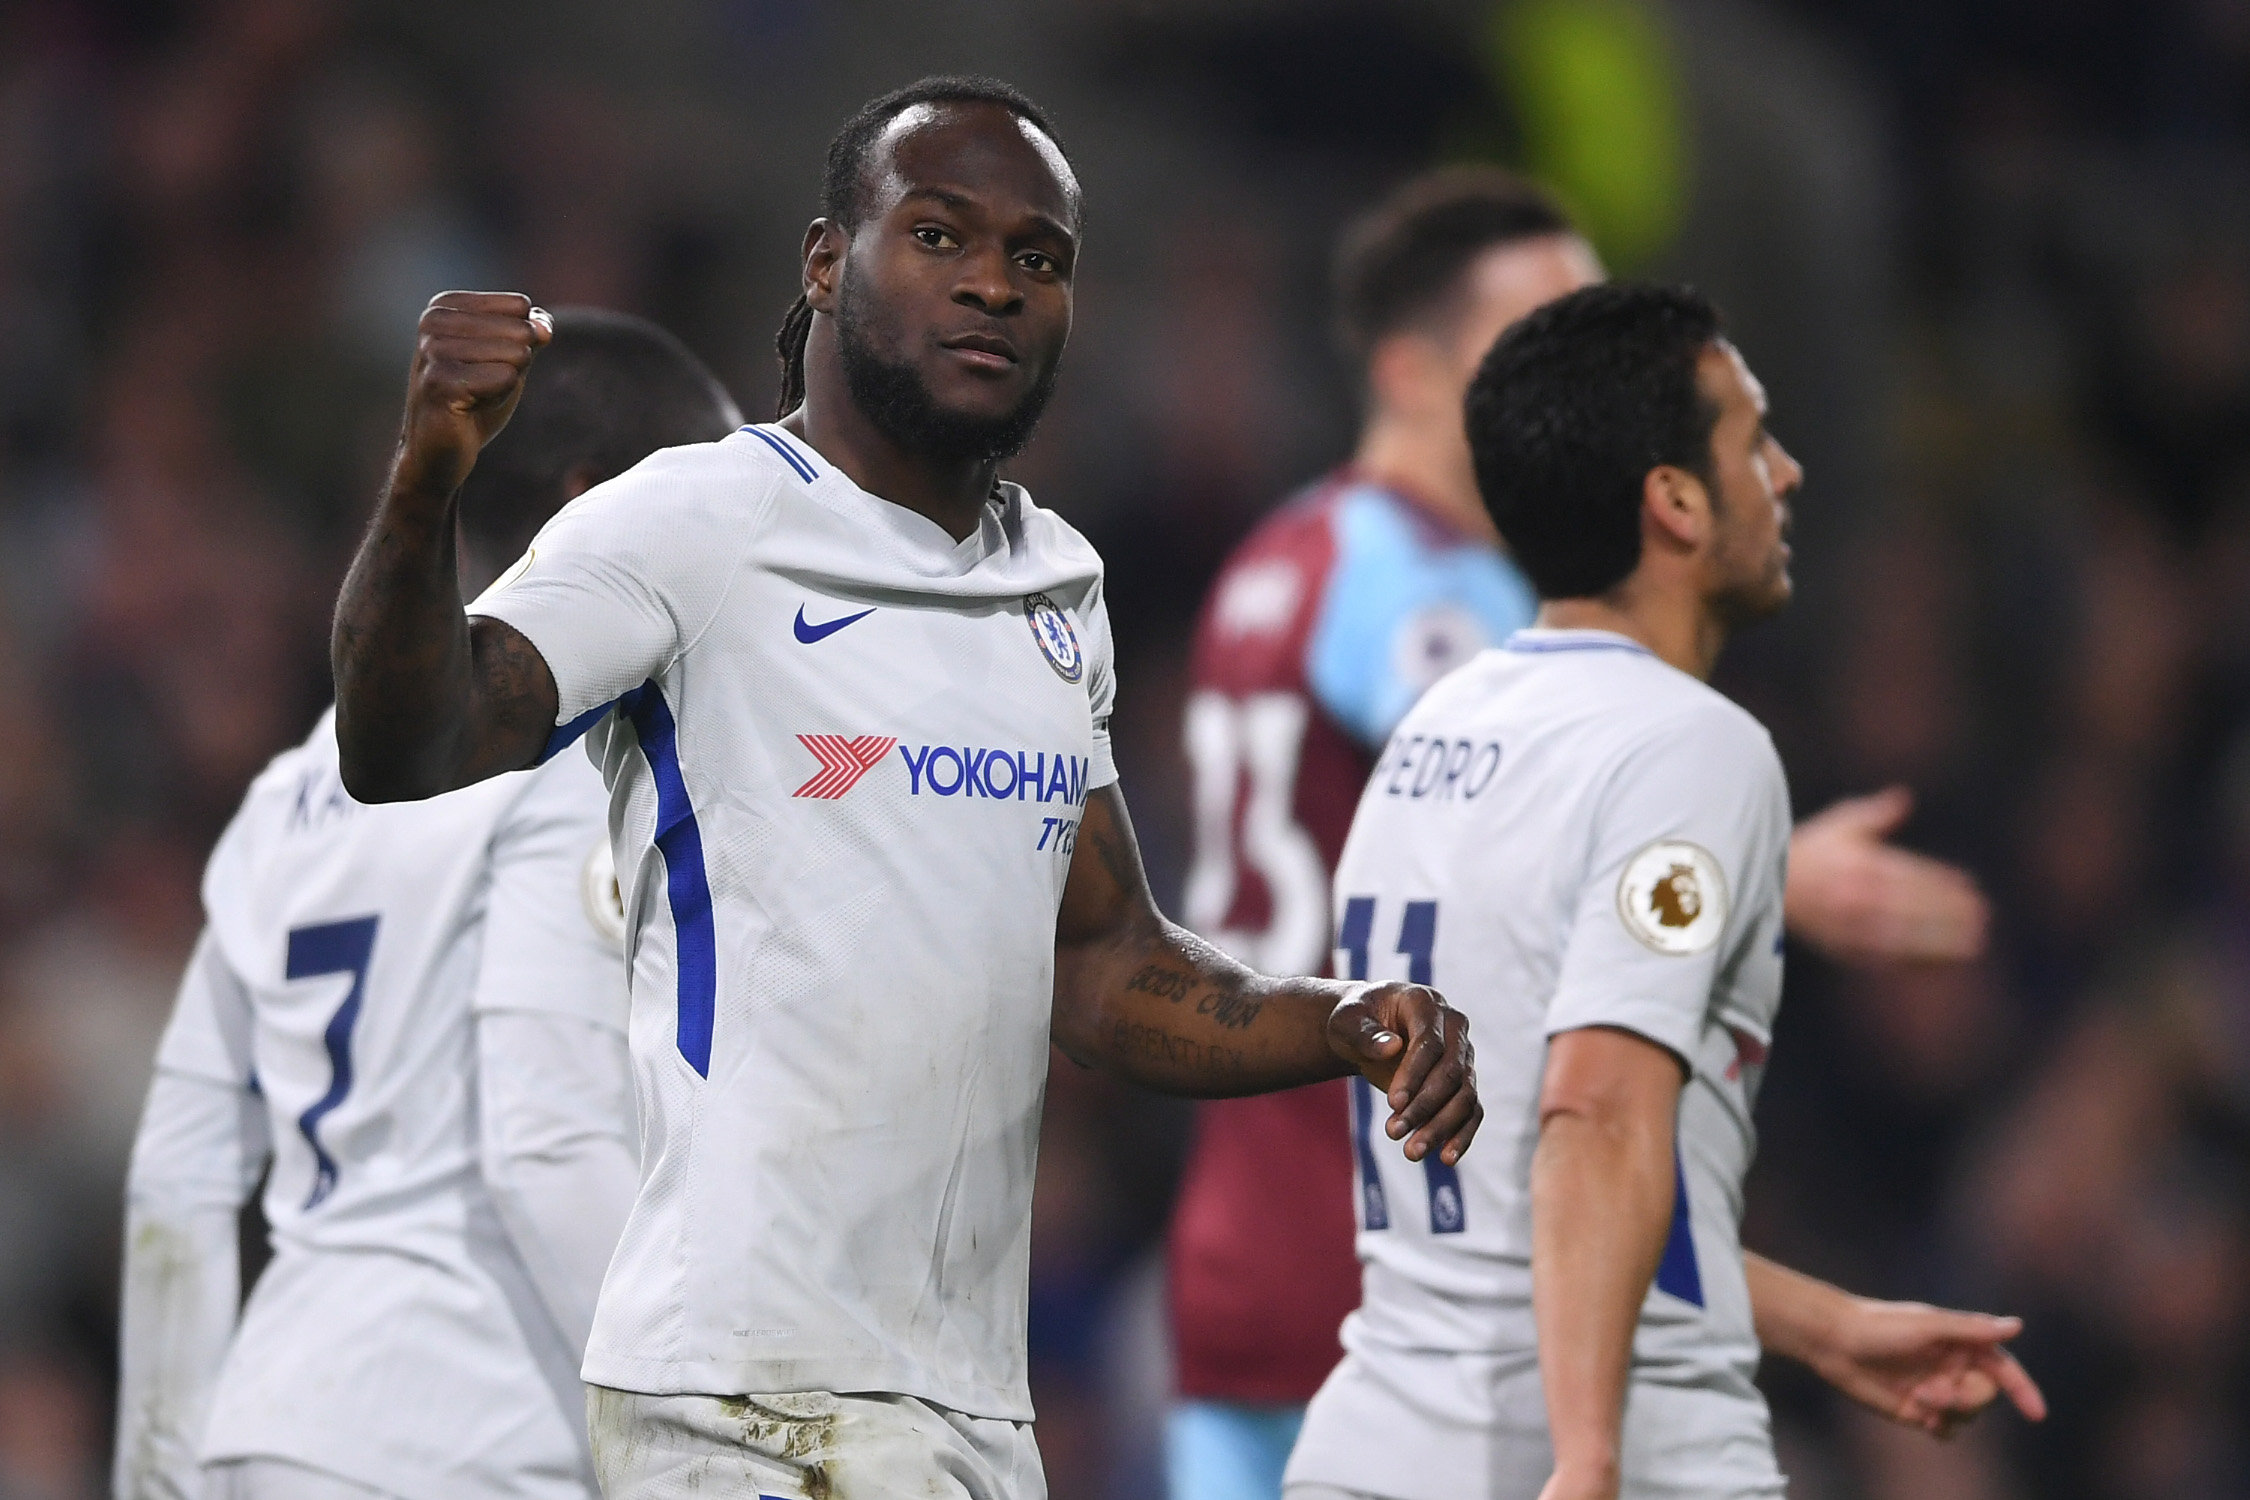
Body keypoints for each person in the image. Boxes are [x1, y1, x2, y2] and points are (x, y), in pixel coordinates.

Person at [323, 76, 1483, 1500]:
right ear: (826, 263)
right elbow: (406, 747)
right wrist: (427, 473)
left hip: (965, 1402)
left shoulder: (1056, 585)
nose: (993, 283)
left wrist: (1340, 1020)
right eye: (938, 237)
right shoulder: (698, 522)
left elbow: (1102, 964)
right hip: (741, 1394)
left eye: (1037, 257)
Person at [1167, 168, 1993, 1499]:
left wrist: (1826, 1324)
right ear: (1413, 372)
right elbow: (1561, 851)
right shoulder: (1437, 601)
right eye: (1537, 327)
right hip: (1433, 1270)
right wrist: (1766, 872)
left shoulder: (1286, 560)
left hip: (1278, 1252)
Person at [112, 310, 744, 1500]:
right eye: (707, 505)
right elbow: (548, 1141)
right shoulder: (575, 755)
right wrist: (704, 1450)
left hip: (279, 1424)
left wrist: (162, 1476)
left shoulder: (292, 786)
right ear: (596, 504)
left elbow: (179, 1178)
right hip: (474, 1430)